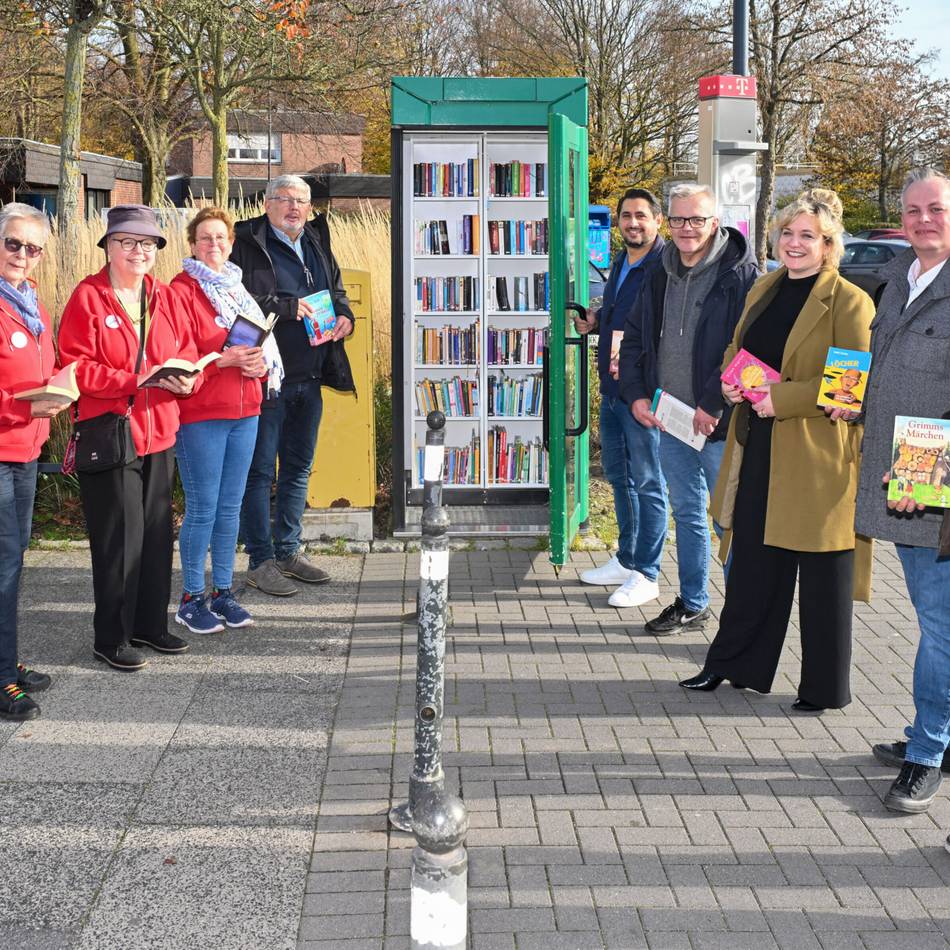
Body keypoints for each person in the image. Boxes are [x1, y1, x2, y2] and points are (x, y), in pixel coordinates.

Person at [678, 189, 875, 712]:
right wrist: (729, 381)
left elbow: (848, 390)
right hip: (759, 447)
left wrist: (780, 398)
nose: (794, 243)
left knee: (822, 578)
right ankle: (730, 664)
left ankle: (823, 689)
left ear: (828, 245)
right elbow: (737, 348)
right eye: (787, 233)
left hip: (817, 457)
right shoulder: (764, 286)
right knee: (752, 566)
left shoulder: (851, 302)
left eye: (807, 235)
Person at [59, 205, 199, 671]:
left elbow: (187, 350)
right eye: (127, 242)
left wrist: (190, 379)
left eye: (147, 243)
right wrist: (133, 380)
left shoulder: (165, 295)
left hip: (160, 430)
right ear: (109, 247)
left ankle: (149, 626)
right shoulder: (89, 297)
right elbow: (75, 366)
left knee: (157, 534)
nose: (138, 250)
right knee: (120, 540)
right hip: (112, 433)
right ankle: (111, 638)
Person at [618, 183, 758, 634]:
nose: (686, 228)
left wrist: (713, 403)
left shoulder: (741, 275)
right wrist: (637, 394)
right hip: (672, 420)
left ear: (715, 222)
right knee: (688, 515)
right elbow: (635, 337)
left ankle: (741, 620)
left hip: (720, 422)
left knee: (727, 521)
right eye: (678, 219)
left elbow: (750, 349)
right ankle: (694, 603)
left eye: (696, 219)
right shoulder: (659, 271)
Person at [855, 167, 950, 815]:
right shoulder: (897, 281)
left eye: (936, 208)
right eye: (912, 210)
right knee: (932, 618)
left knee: (940, 626)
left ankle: (928, 752)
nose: (923, 220)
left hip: (933, 483)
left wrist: (929, 471)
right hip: (901, 477)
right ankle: (934, 732)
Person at [231, 175, 355, 597]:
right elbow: (233, 302)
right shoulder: (245, 243)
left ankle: (287, 552)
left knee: (298, 469)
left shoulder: (316, 240)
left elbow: (336, 290)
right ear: (267, 204)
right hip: (268, 378)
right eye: (285, 199)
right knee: (260, 471)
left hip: (311, 374)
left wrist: (345, 316)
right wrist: (286, 307)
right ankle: (260, 561)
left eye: (302, 200)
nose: (294, 207)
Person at [170, 207, 282, 633]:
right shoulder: (180, 291)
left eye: (220, 237)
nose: (213, 245)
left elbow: (259, 347)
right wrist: (223, 360)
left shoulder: (239, 289)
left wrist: (259, 365)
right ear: (192, 245)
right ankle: (190, 598)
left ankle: (222, 592)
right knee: (203, 508)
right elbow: (179, 356)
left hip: (246, 411)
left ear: (231, 244)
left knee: (230, 508)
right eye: (204, 238)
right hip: (202, 413)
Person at [575, 188, 668, 607]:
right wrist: (596, 320)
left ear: (658, 221)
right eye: (627, 215)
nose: (633, 223)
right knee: (619, 476)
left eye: (641, 216)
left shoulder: (665, 266)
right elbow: (624, 320)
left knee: (649, 481)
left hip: (643, 394)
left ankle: (647, 573)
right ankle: (627, 558)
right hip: (613, 388)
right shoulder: (620, 262)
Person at [0, 203, 65, 718]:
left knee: (13, 559)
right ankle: (2, 678)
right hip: (2, 451)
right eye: (13, 243)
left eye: (33, 248)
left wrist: (60, 386)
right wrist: (24, 406)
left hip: (26, 448)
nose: (22, 254)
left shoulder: (29, 301)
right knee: (4, 564)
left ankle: (6, 658)